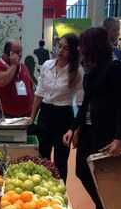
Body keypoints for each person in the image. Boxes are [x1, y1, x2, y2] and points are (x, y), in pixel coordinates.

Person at [62, 27, 121, 209]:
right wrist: (73, 128)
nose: (79, 49)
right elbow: (86, 102)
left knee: (100, 176)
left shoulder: (114, 68)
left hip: (105, 131)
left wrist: (118, 137)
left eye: (83, 45)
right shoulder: (91, 67)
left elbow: (120, 105)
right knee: (82, 171)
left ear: (93, 46)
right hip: (89, 128)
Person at [30, 33, 83, 183]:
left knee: (61, 160)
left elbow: (81, 104)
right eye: (59, 46)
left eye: (66, 49)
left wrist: (77, 130)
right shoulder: (47, 65)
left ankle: (60, 190)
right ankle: (41, 188)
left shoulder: (78, 71)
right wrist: (32, 118)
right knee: (42, 157)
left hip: (64, 117)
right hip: (45, 114)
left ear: (73, 51)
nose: (60, 51)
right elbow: (39, 94)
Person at [0, 40, 34, 119]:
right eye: (17, 52)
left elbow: (30, 88)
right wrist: (14, 64)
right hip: (4, 117)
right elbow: (1, 82)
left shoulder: (23, 67)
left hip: (25, 116)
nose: (20, 54)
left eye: (21, 51)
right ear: (7, 54)